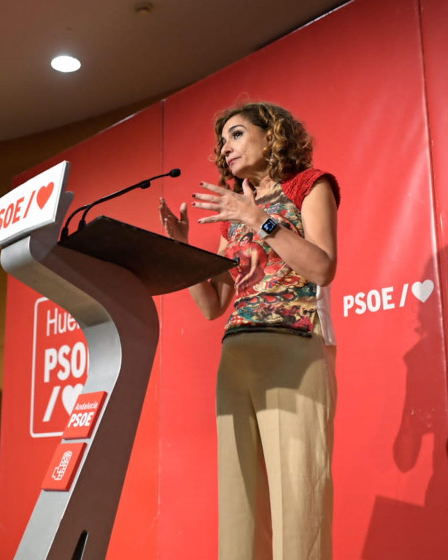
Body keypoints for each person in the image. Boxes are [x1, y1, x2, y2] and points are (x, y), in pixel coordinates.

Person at [158, 101, 340, 560]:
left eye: (236, 134)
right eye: (222, 141)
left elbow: (321, 268)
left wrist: (258, 218)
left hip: (294, 348)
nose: (226, 148)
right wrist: (182, 251)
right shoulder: (234, 209)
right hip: (236, 356)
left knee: (299, 498)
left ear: (272, 134)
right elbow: (214, 304)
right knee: (240, 505)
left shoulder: (308, 185)